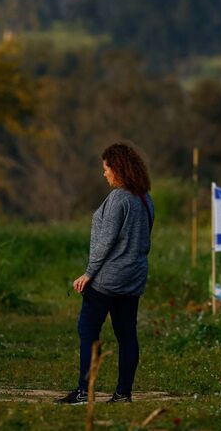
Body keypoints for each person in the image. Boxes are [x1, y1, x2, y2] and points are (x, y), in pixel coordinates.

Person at [57, 143, 155, 405]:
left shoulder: (119, 199)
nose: (105, 174)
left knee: (88, 330)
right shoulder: (146, 198)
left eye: (106, 168)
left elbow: (106, 241)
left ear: (118, 168)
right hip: (134, 277)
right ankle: (123, 394)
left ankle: (83, 392)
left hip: (107, 279)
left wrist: (88, 274)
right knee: (127, 335)